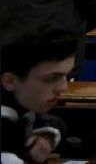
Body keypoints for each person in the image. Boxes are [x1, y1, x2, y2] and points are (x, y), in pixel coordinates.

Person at [1, 26, 79, 164]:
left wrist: (47, 136)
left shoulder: (24, 100)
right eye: (52, 78)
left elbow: (53, 120)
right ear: (10, 81)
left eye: (66, 75)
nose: (64, 88)